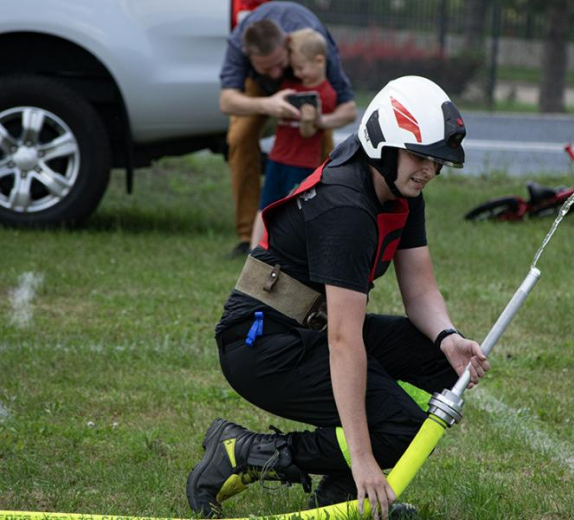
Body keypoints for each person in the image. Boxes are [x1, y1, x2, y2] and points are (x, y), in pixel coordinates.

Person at [186, 77, 489, 520]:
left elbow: (421, 290)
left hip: (309, 327)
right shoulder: (346, 208)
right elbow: (345, 341)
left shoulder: (399, 184)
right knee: (402, 428)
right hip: (260, 345)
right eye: (421, 157)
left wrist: (448, 337)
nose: (430, 170)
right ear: (384, 146)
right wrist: (364, 457)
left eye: (438, 162)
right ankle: (243, 452)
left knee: (443, 364)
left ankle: (337, 488)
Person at [219, 1, 357, 258]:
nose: (274, 72)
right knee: (239, 137)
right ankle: (248, 237)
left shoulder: (310, 40)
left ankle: (328, 228)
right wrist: (268, 104)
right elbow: (226, 100)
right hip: (261, 94)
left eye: (279, 64)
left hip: (307, 91)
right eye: (265, 67)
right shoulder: (239, 42)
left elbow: (347, 105)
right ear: (248, 57)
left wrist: (319, 122)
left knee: (325, 150)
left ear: (288, 45)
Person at [249, 28, 337, 249]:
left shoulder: (326, 94)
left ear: (319, 61)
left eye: (301, 67)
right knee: (265, 205)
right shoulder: (289, 85)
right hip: (277, 157)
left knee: (295, 209)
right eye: (294, 67)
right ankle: (254, 251)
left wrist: (309, 120)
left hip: (302, 163)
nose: (297, 73)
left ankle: (289, 251)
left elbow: (309, 134)